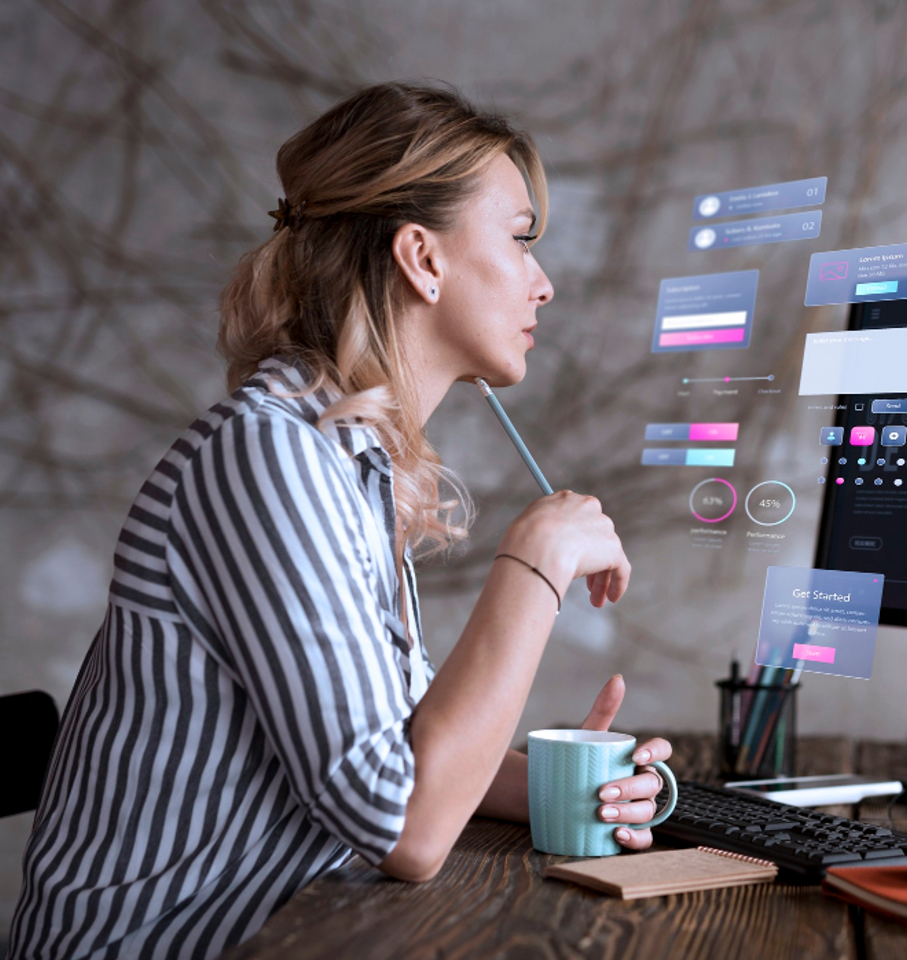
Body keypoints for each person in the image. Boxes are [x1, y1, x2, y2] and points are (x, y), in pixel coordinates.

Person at [12, 81, 671, 960]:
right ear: (422, 259)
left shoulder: (348, 462)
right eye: (519, 240)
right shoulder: (268, 457)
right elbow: (404, 825)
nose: (543, 284)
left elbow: (388, 756)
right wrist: (536, 561)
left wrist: (563, 787)